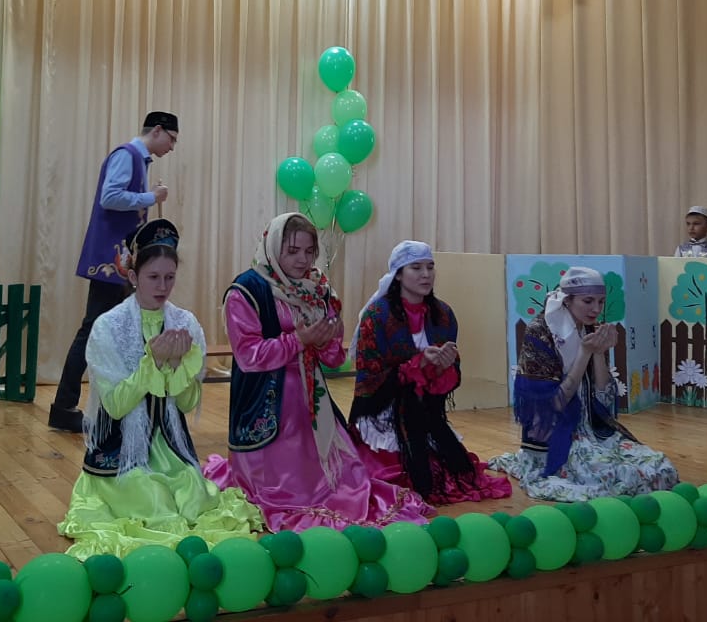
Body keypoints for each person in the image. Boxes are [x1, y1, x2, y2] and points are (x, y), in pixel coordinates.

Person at [203, 213, 432, 531]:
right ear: (272, 248)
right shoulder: (246, 291)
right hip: (266, 404)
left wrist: (325, 341)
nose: (303, 259)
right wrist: (298, 340)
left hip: (313, 405)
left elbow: (335, 358)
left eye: (309, 251)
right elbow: (248, 356)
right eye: (293, 251)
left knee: (348, 480)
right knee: (284, 490)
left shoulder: (317, 289)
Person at [57, 219, 263, 557]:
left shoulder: (185, 323)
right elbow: (116, 407)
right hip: (120, 453)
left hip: (170, 448)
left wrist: (178, 367)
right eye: (153, 277)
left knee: (193, 493)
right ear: (133, 276)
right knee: (153, 500)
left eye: (170, 277)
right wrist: (151, 363)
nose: (163, 286)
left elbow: (186, 404)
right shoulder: (109, 327)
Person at [490, 266, 678, 501]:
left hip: (594, 432)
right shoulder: (540, 332)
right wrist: (584, 353)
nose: (596, 309)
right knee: (613, 477)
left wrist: (598, 352)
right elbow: (552, 405)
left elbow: (604, 398)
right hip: (557, 436)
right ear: (567, 299)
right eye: (588, 301)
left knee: (660, 467)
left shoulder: (590, 327)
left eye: (600, 301)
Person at [349, 241, 512, 505]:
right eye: (416, 268)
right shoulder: (377, 315)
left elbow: (451, 371)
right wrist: (416, 365)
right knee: (396, 477)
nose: (426, 274)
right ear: (398, 274)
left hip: (426, 408)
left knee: (455, 472)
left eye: (430, 267)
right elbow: (370, 374)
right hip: (385, 409)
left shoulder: (443, 314)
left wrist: (442, 367)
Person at [50, 111, 179, 432]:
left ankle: (116, 400)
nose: (172, 147)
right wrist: (151, 197)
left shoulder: (138, 159)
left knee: (119, 329)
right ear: (158, 130)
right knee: (94, 329)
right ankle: (64, 406)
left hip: (120, 262)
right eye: (172, 139)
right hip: (111, 262)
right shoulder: (127, 155)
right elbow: (110, 196)